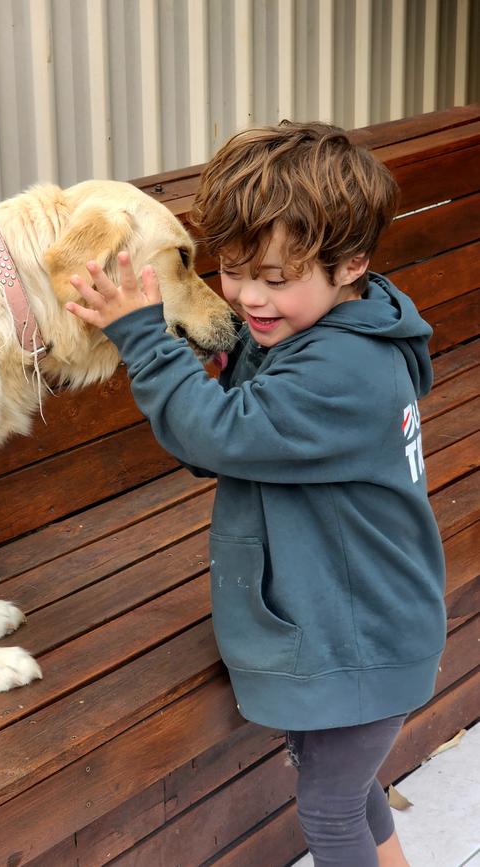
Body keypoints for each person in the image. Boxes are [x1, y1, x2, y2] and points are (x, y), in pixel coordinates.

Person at [66, 121, 446, 867]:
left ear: (351, 265)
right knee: (342, 779)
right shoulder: (333, 326)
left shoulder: (345, 371)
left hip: (362, 638)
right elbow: (245, 420)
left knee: (330, 808)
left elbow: (218, 436)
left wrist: (145, 339)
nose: (248, 296)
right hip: (351, 621)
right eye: (234, 272)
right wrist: (232, 336)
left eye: (276, 279)